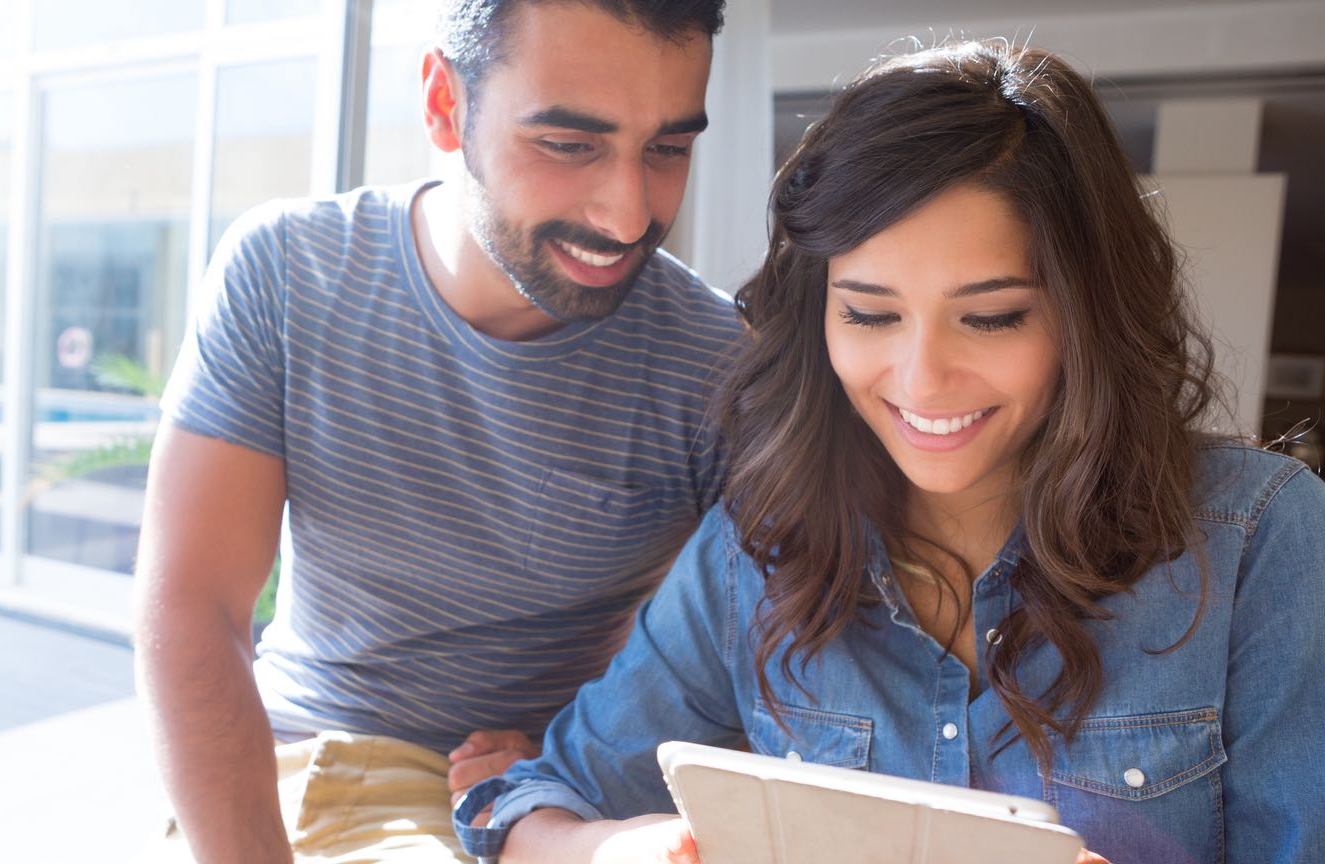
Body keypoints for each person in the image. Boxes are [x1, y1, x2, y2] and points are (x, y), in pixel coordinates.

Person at [452, 40, 1325, 864]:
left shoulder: (1260, 540)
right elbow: (538, 799)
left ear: (1087, 313)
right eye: (869, 314)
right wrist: (611, 847)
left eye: (992, 317)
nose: (922, 379)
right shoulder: (758, 550)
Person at [133, 0, 741, 861]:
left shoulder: (717, 365)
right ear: (445, 104)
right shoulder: (289, 272)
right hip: (323, 762)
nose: (627, 215)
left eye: (668, 149)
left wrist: (588, 757)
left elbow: (767, 651)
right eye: (569, 145)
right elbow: (192, 607)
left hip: (552, 798)